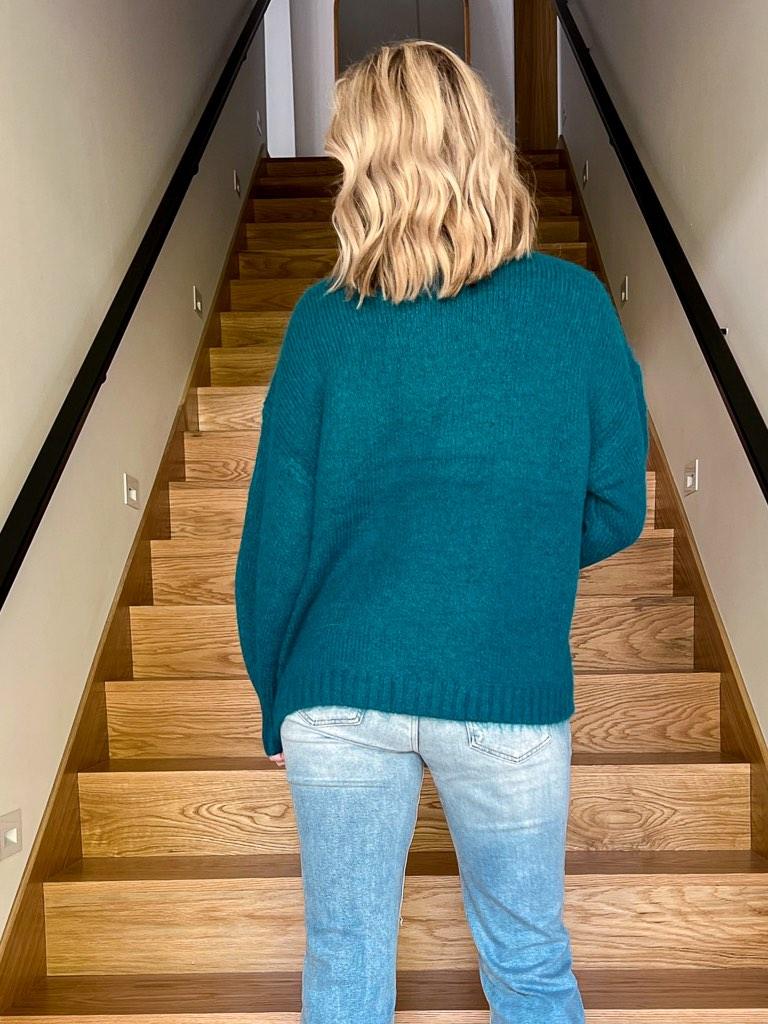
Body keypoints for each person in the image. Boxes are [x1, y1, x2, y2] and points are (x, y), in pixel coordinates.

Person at [234, 39, 648, 1024]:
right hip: (506, 684)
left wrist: (274, 696)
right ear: (482, 143)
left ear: (369, 163)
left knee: (344, 964)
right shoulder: (576, 307)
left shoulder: (323, 321)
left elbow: (273, 542)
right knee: (530, 961)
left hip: (336, 691)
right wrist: (509, 553)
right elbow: (615, 504)